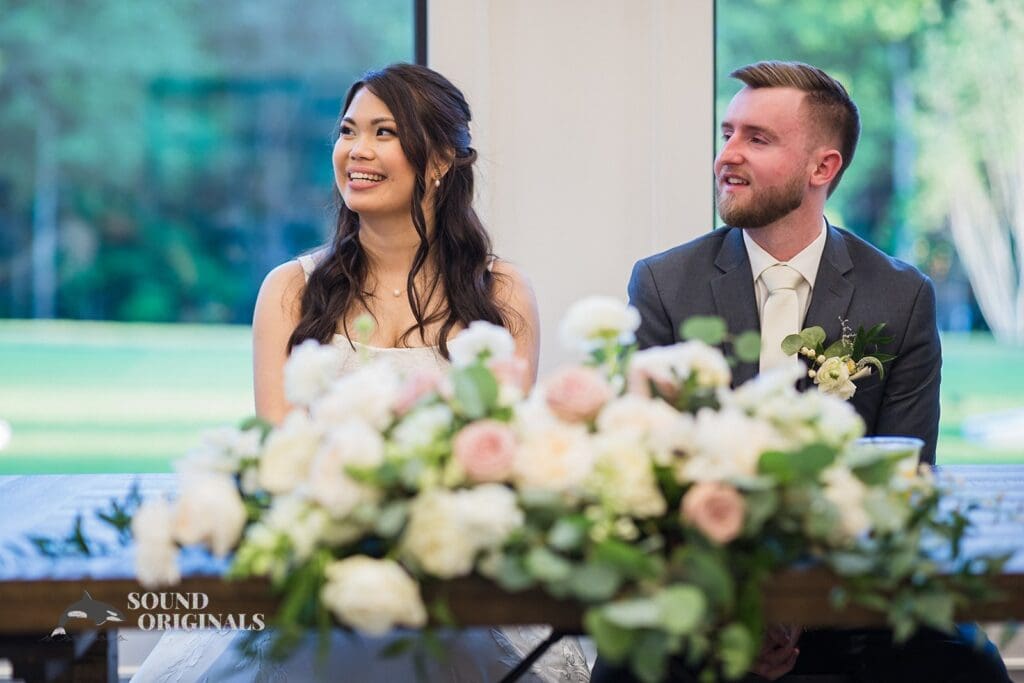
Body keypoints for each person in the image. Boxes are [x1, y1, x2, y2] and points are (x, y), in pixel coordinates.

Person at [134, 63, 590, 683]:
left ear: (439, 161)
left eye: (383, 133)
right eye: (348, 131)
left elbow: (501, 457)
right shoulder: (290, 291)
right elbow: (280, 455)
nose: (357, 151)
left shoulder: (500, 292)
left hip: (453, 578)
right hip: (318, 573)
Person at [593, 60, 1008, 682]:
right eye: (727, 133)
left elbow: (901, 478)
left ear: (823, 167)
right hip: (706, 585)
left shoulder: (900, 296)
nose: (726, 155)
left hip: (853, 593)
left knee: (968, 662)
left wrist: (801, 611)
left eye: (756, 139)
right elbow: (649, 471)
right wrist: (736, 611)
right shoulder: (663, 283)